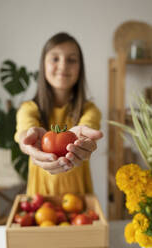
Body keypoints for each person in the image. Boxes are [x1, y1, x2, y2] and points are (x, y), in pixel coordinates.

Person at [14, 32, 103, 197]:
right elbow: (25, 131)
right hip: (39, 199)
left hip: (79, 199)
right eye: (55, 58)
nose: (63, 66)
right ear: (43, 65)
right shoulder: (28, 108)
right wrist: (28, 142)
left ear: (80, 68)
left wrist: (85, 137)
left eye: (71, 59)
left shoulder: (89, 109)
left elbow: (89, 125)